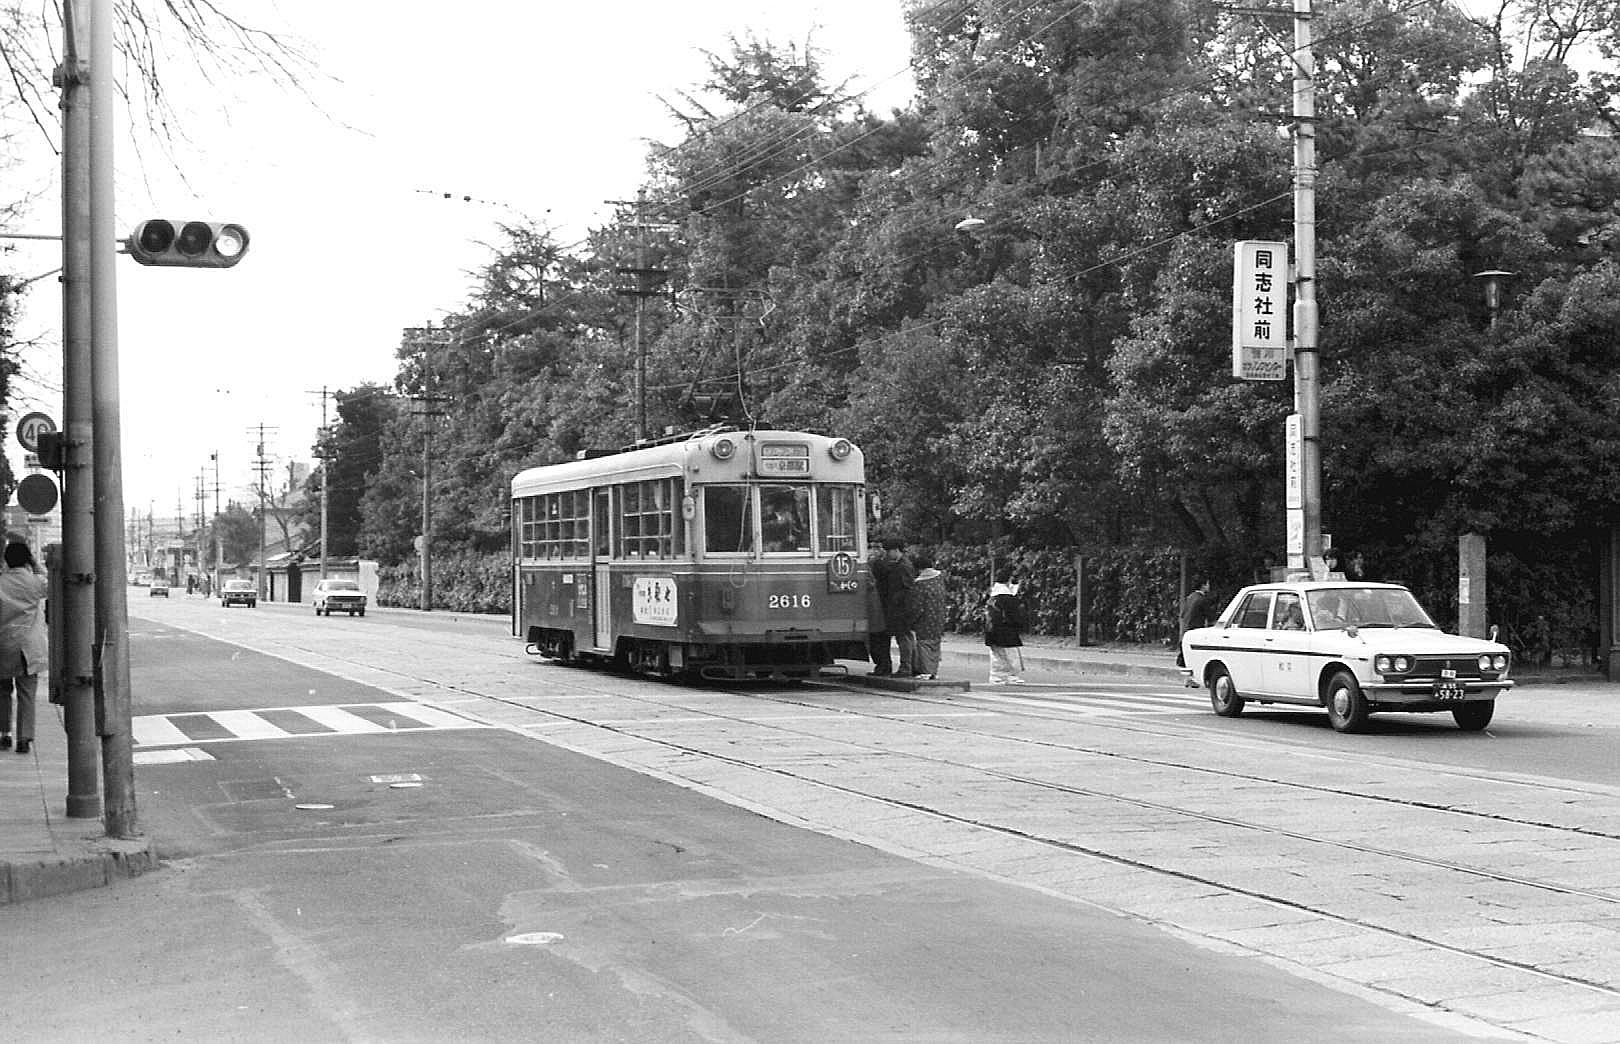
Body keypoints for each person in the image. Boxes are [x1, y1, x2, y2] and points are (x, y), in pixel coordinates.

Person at [0, 541, 48, 756]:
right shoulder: (35, 582)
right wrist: (36, 565)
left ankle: (4, 734)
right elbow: (53, 584)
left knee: (3, 692)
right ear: (27, 558)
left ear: (6, 560)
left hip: (3, 644)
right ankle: (24, 738)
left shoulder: (1, 582)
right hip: (28, 647)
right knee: (27, 694)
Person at [879, 538, 918, 677]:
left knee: (903, 638)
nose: (887, 554)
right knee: (905, 637)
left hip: (902, 609)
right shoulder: (900, 565)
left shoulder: (903, 567)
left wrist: (897, 602)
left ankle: (906, 667)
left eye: (888, 551)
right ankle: (911, 666)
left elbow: (908, 589)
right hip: (900, 607)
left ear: (896, 550)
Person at [910, 552, 948, 680]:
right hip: (939, 616)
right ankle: (933, 671)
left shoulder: (920, 583)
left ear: (919, 569)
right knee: (935, 644)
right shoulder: (940, 578)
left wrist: (912, 620)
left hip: (925, 619)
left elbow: (918, 606)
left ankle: (926, 671)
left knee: (924, 644)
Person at [984, 579, 1025, 684]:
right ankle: (1011, 675)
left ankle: (996, 675)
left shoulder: (992, 597)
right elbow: (1014, 615)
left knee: (997, 654)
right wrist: (1019, 625)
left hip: (992, 630)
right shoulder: (1008, 598)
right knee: (1012, 655)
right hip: (1007, 630)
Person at [865, 546, 892, 676]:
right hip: (883, 612)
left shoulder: (871, 571)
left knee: (876, 642)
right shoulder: (887, 568)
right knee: (883, 642)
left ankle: (882, 666)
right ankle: (885, 666)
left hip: (875, 615)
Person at [1176, 580, 1213, 667]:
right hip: (1196, 627)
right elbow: (1210, 616)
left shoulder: (1190, 597)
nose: (1209, 586)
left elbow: (1183, 614)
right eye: (1207, 584)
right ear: (1203, 586)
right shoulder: (1202, 599)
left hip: (1186, 628)